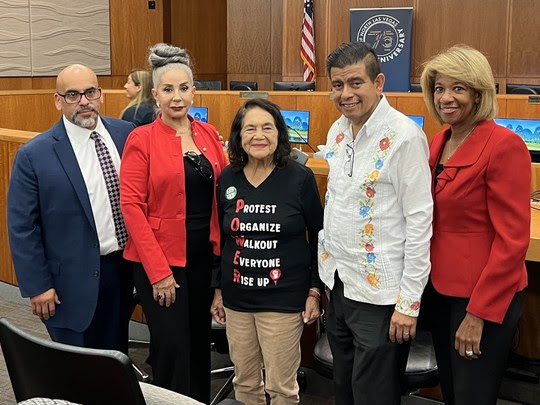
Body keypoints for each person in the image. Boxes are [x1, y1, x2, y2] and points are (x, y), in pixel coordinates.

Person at [317, 41, 433, 404]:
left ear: (378, 82)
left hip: (380, 295)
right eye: (338, 85)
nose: (345, 94)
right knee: (343, 388)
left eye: (356, 83)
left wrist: (408, 304)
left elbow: (420, 223)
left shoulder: (405, 137)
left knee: (374, 395)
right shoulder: (337, 130)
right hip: (339, 283)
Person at [419, 45, 531, 405]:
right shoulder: (442, 139)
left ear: (479, 93)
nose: (445, 98)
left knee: (472, 395)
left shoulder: (504, 146)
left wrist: (478, 314)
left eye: (458, 88)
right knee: (452, 391)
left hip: (480, 297)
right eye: (438, 88)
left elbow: (512, 242)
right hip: (440, 289)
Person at [119, 43, 227, 402]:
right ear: (155, 95)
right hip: (162, 263)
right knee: (172, 347)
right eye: (168, 89)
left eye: (183, 88)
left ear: (194, 91)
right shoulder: (142, 138)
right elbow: (131, 207)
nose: (177, 97)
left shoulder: (209, 134)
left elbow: (222, 195)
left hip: (203, 258)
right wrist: (159, 272)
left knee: (199, 343)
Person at [7, 64, 135, 353]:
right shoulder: (34, 155)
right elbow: (22, 226)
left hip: (123, 270)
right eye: (73, 95)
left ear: (100, 94)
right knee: (76, 370)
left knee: (116, 358)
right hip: (68, 283)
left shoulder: (127, 134)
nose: (84, 102)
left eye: (90, 92)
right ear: (58, 100)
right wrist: (38, 286)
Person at [210, 98, 324, 405]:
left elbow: (319, 236)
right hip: (237, 299)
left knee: (281, 388)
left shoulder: (299, 179)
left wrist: (315, 290)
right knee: (245, 383)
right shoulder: (228, 179)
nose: (258, 135)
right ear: (239, 136)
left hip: (283, 300)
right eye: (250, 129)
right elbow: (223, 238)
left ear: (279, 134)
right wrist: (219, 290)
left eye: (266, 128)